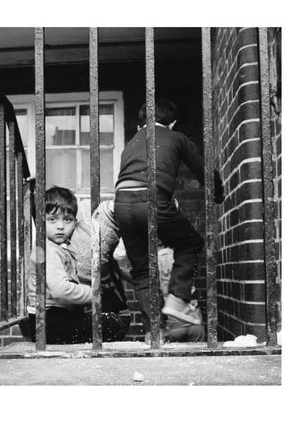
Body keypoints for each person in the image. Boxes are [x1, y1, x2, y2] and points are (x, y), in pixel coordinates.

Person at [114, 97, 224, 341]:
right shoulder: (176, 137)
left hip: (121, 204)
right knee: (190, 243)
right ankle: (178, 298)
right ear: (172, 123)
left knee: (142, 271)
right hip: (151, 200)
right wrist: (218, 193)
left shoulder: (131, 142)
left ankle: (155, 331)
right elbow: (203, 169)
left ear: (139, 125)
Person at [27, 186, 130, 344]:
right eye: (52, 220)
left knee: (103, 320)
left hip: (54, 316)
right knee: (110, 325)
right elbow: (60, 290)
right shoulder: (48, 249)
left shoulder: (59, 247)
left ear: (74, 223)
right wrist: (93, 294)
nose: (60, 226)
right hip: (47, 321)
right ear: (41, 221)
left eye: (67, 220)